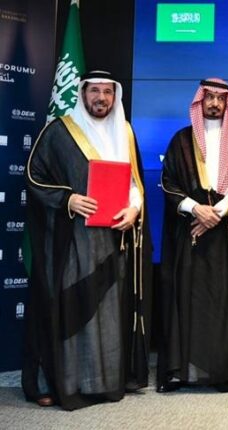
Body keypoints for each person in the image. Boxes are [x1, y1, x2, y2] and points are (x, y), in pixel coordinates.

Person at [22, 70, 152, 410]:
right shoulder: (60, 131)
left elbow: (134, 183)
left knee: (107, 314)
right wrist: (69, 199)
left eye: (108, 92)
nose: (101, 98)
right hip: (72, 241)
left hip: (114, 239)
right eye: (95, 91)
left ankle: (104, 383)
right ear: (83, 94)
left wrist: (134, 208)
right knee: (72, 307)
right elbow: (34, 177)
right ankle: (66, 383)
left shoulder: (124, 132)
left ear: (115, 96)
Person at [157, 78, 228, 393]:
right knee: (188, 300)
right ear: (199, 101)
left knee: (221, 302)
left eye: (220, 98)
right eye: (209, 97)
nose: (214, 104)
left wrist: (215, 215)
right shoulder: (181, 140)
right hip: (189, 233)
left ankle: (221, 372)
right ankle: (184, 371)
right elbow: (168, 181)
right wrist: (195, 209)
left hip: (226, 235)